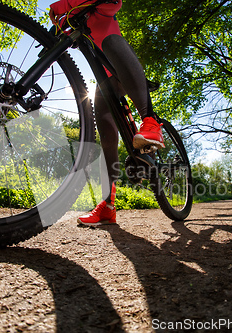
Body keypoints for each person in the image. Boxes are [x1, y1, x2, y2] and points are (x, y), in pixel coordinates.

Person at [49, 0, 164, 226]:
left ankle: (150, 122)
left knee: (111, 41)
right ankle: (107, 206)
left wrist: (63, 5)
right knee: (107, 141)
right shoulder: (76, 17)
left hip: (122, 71)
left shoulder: (97, 5)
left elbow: (115, 3)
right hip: (105, 81)